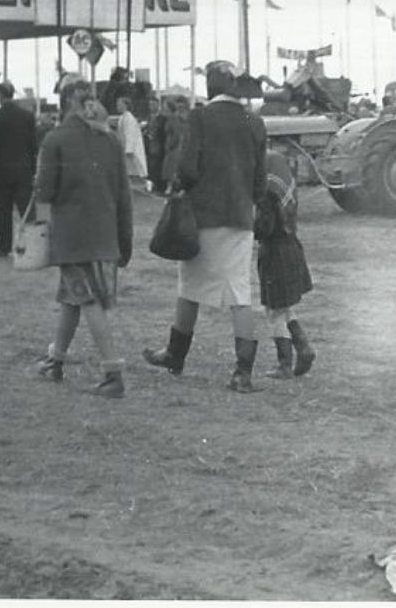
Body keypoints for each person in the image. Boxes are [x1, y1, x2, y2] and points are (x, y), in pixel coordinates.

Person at [141, 61, 268, 393]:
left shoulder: (199, 118)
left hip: (202, 216)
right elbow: (260, 176)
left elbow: (187, 166)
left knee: (189, 285)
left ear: (210, 87)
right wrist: (250, 201)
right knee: (239, 292)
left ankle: (175, 354)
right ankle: (243, 371)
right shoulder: (253, 121)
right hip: (240, 215)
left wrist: (179, 185)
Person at [31, 76, 134, 398]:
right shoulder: (110, 140)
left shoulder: (55, 140)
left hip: (72, 239)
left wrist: (41, 235)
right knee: (72, 298)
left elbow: (44, 194)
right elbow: (124, 196)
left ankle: (112, 371)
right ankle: (55, 359)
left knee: (88, 300)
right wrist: (125, 242)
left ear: (64, 104)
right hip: (105, 237)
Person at [255, 148, 316, 378]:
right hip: (291, 247)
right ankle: (303, 347)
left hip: (274, 252)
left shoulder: (268, 193)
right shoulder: (285, 187)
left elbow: (264, 228)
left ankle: (284, 364)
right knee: (284, 306)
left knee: (274, 311)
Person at [0, 82, 39, 260]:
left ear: (0, 95)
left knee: (4, 209)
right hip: (23, 168)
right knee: (26, 209)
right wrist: (33, 168)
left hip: (3, 169)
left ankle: (5, 246)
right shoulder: (27, 116)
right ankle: (32, 244)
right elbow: (33, 144)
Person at [111, 94, 149, 188]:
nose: (117, 106)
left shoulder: (129, 118)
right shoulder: (123, 117)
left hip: (130, 151)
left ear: (126, 105)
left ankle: (145, 185)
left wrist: (129, 149)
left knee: (135, 171)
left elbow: (130, 134)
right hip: (124, 148)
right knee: (128, 172)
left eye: (119, 104)